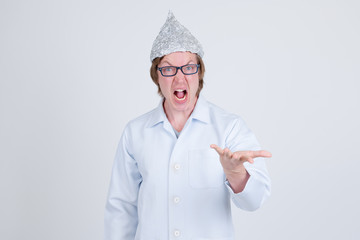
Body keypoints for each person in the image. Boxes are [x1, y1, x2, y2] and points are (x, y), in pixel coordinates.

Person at [104, 11, 271, 240]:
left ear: (199, 72)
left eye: (189, 67)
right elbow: (121, 210)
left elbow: (255, 200)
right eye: (169, 68)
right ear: (157, 76)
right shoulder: (135, 133)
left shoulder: (229, 127)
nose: (180, 78)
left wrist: (236, 174)